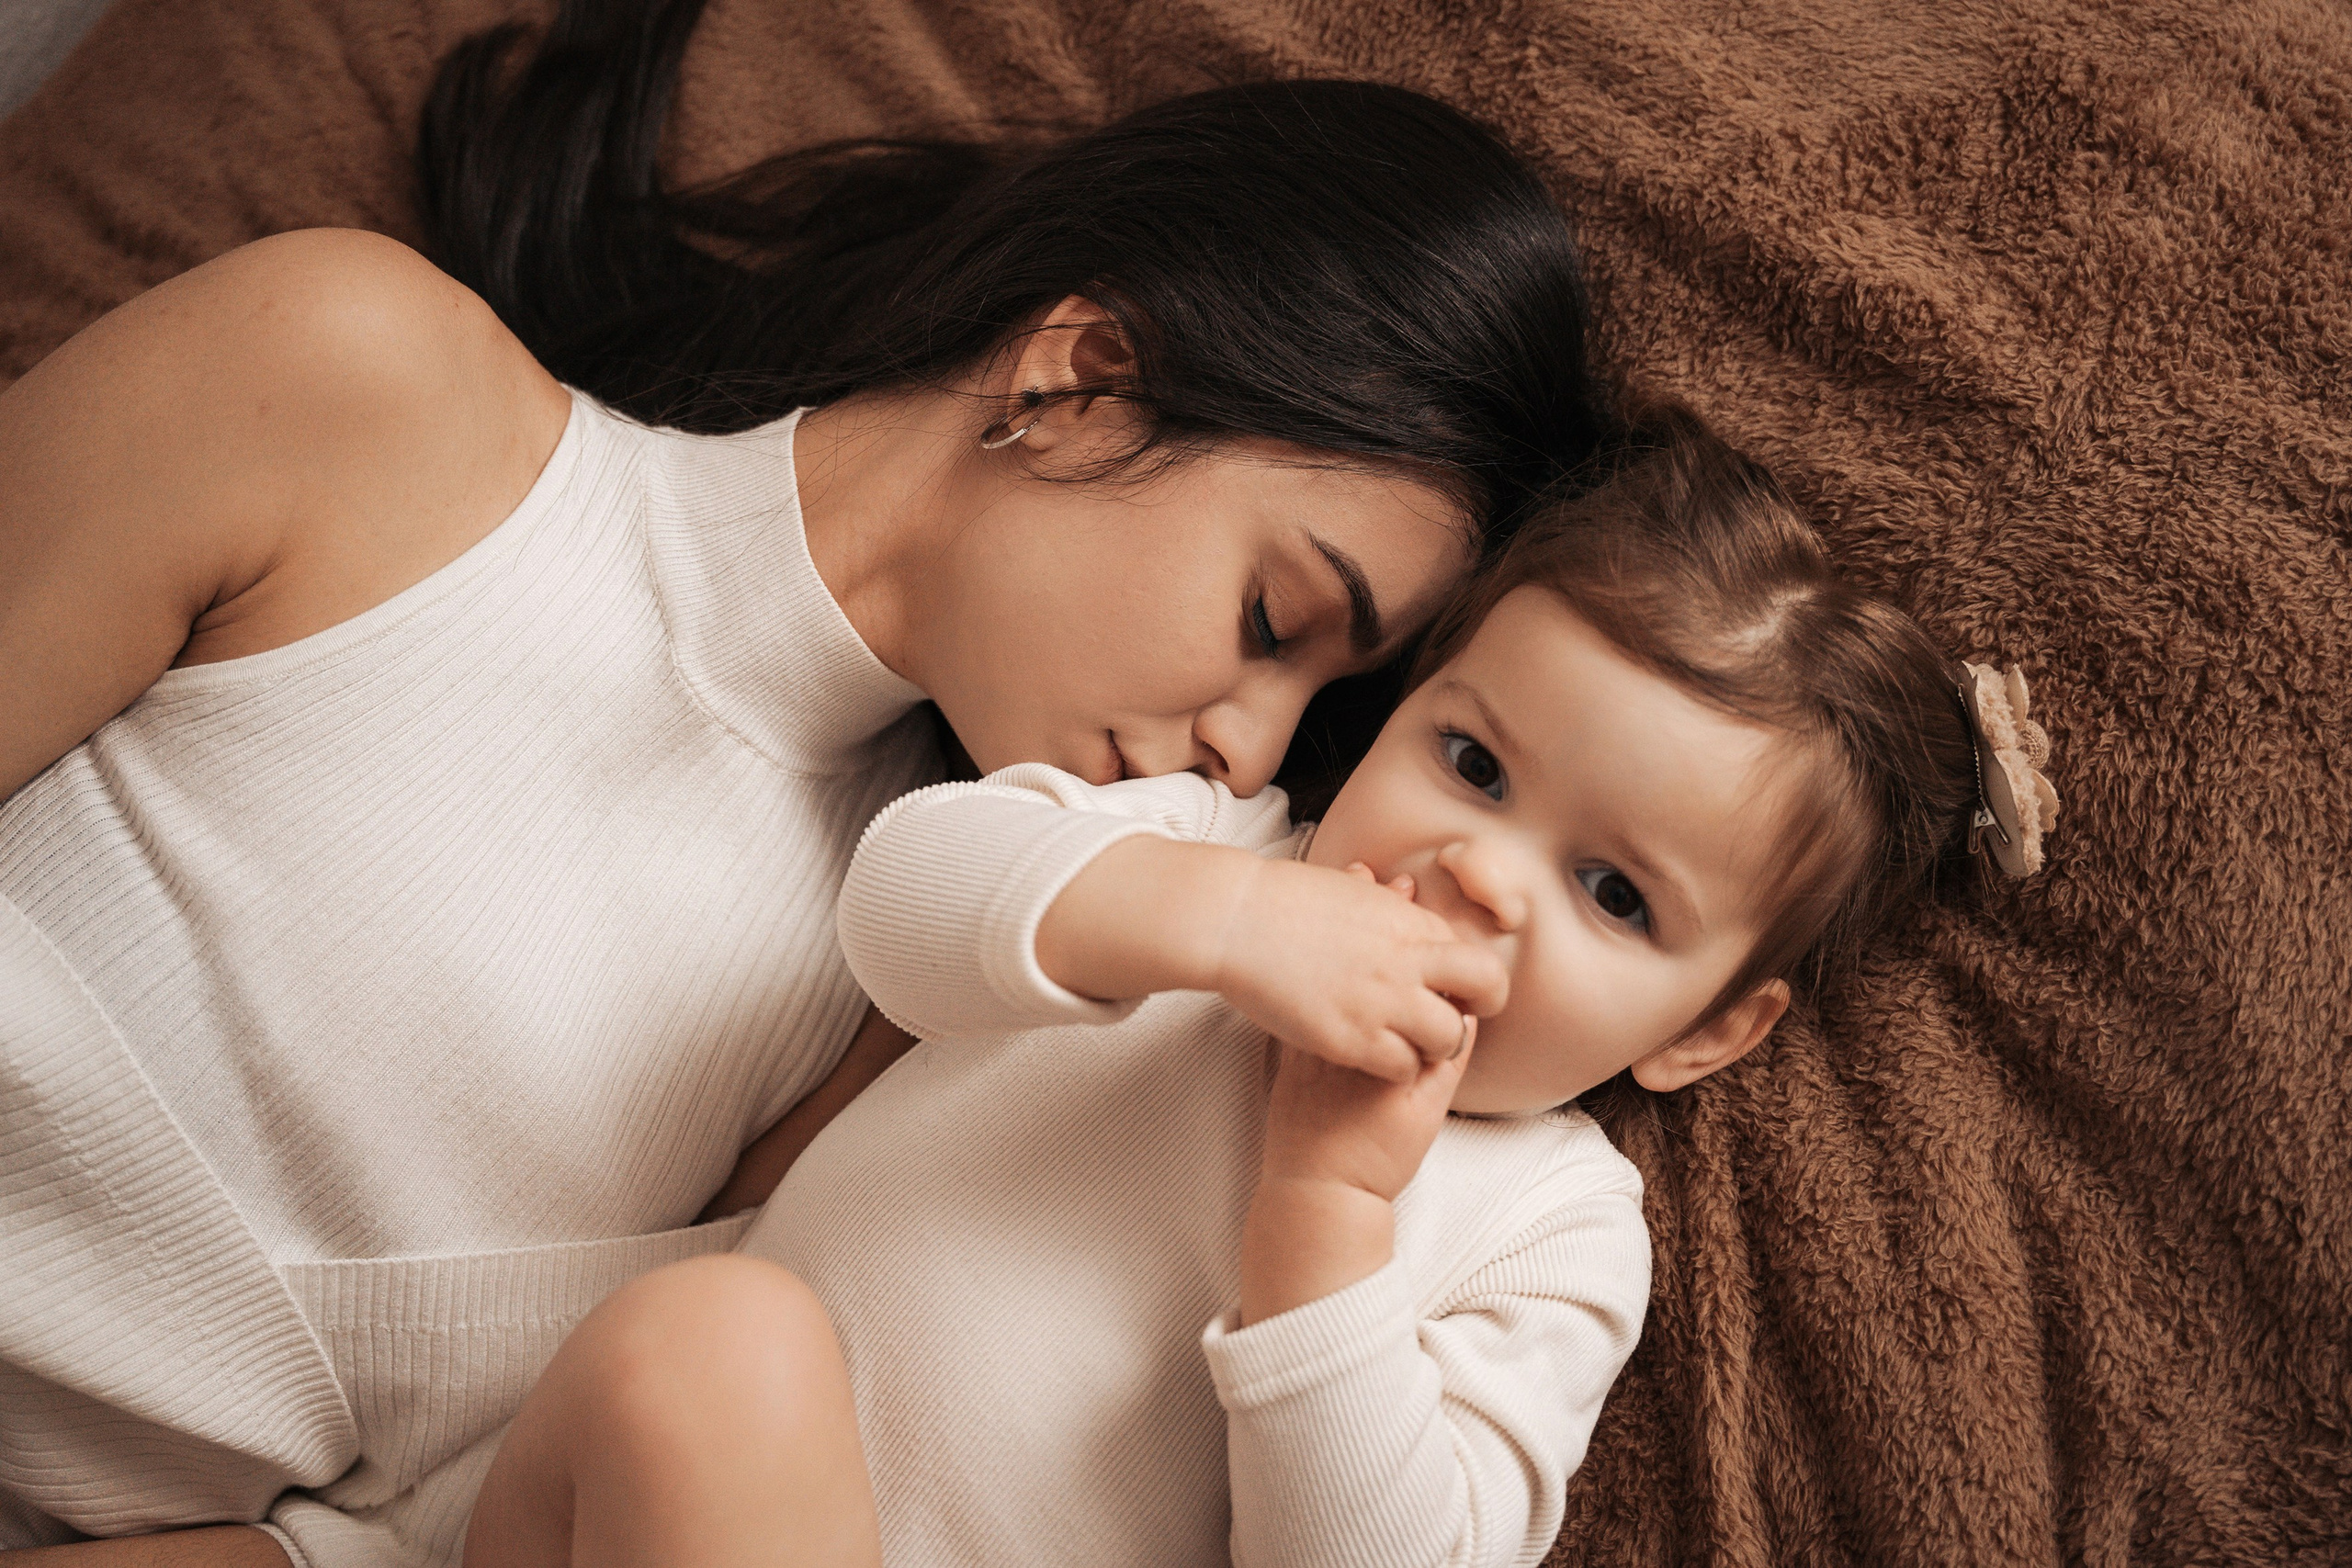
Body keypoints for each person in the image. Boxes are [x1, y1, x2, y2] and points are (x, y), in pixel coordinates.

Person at [0, 1, 1615, 1560]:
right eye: (1274, 622)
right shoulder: (357, 384)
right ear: (1080, 380)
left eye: (1320, 697)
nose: (1251, 750)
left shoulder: (911, 1015)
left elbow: (424, 1521)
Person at [457, 410, 2063, 1567]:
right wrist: (1211, 921)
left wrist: (1327, 1209)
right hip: (629, 1500)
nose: (1481, 873)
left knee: (719, 1347)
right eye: (1474, 761)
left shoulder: (1553, 1232)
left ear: (1708, 1030)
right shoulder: (1205, 846)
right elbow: (903, 905)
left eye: (1616, 893)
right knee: (708, 1350)